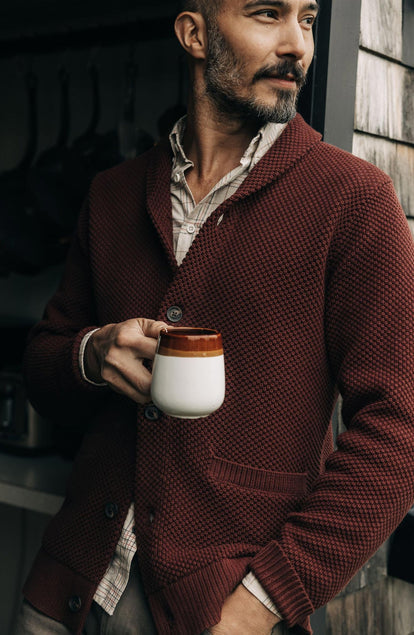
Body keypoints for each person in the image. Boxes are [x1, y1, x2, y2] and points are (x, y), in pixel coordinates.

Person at [17, 0, 414, 634]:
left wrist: (263, 603)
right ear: (194, 34)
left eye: (307, 20)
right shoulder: (112, 194)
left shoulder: (354, 202)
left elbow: (400, 432)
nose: (298, 46)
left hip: (220, 612)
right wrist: (89, 355)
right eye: (266, 14)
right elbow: (42, 367)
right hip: (62, 591)